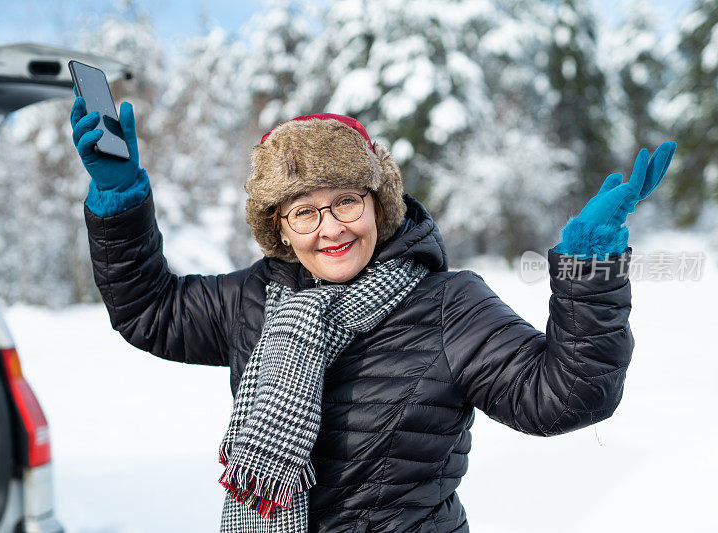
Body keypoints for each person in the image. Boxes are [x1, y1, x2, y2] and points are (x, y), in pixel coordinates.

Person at [69, 96, 675, 532]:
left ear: (378, 205)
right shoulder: (256, 297)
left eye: (345, 202)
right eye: (302, 211)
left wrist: (589, 266)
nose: (329, 228)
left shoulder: (448, 305)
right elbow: (150, 311)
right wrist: (120, 201)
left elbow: (568, 396)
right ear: (279, 229)